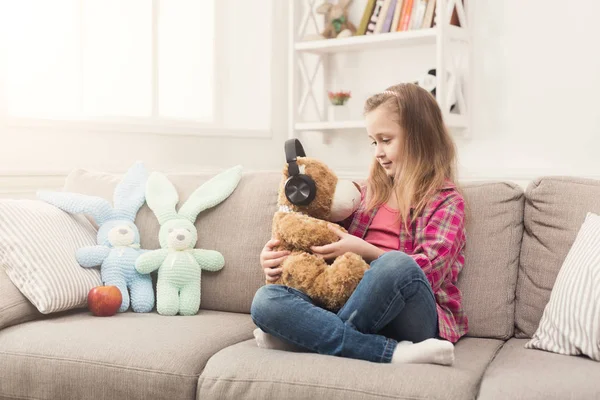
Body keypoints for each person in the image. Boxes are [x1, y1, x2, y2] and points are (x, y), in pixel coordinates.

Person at [250, 83, 468, 365]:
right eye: (373, 142)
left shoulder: (446, 201)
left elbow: (428, 273)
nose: (377, 151)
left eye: (386, 140)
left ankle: (305, 338)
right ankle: (389, 352)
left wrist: (367, 251)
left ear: (419, 137)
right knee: (266, 300)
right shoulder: (363, 194)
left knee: (396, 265)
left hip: (411, 312)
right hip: (353, 301)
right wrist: (275, 263)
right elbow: (324, 248)